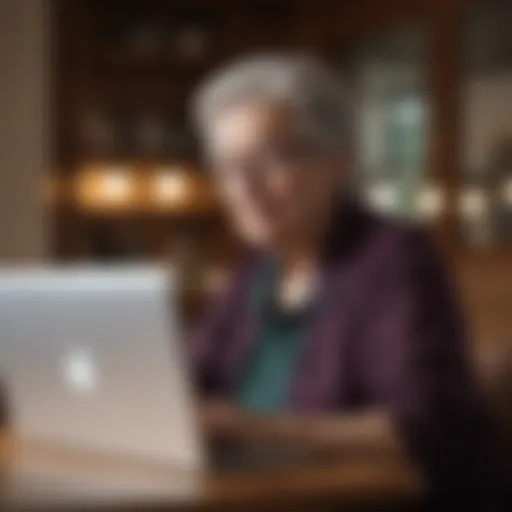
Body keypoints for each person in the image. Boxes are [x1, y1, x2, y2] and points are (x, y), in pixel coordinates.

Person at [188, 54, 506, 509]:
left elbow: (421, 426)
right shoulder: (256, 268)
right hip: (264, 495)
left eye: (271, 158)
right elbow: (195, 374)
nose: (244, 186)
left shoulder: (393, 259)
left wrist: (252, 427)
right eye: (228, 165)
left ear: (340, 161)